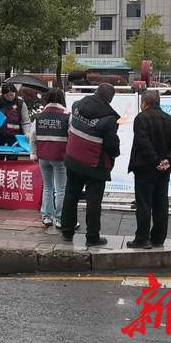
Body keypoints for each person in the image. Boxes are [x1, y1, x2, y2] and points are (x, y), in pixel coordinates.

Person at [62, 83, 121, 247]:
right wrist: (116, 154)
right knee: (93, 201)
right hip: (95, 165)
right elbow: (112, 145)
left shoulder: (77, 106)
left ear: (96, 92)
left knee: (70, 196)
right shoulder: (109, 120)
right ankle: (92, 236)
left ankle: (67, 232)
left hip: (73, 159)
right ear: (110, 99)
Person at [127, 90, 171, 249]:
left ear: (144, 104)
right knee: (161, 204)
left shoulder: (141, 118)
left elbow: (143, 143)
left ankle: (142, 238)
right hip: (164, 169)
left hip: (145, 168)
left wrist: (155, 161)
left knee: (144, 204)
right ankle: (158, 238)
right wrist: (169, 160)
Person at [29, 87, 70, 228]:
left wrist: (34, 153)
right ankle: (60, 219)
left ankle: (47, 217)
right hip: (60, 157)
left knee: (47, 187)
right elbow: (71, 136)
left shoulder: (39, 116)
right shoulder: (67, 116)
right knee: (61, 189)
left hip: (43, 157)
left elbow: (32, 136)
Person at [0, 83, 30, 150]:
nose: (10, 97)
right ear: (3, 94)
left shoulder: (21, 103)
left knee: (13, 155)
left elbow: (26, 121)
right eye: (7, 96)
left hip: (15, 137)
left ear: (15, 93)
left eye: (12, 95)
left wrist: (27, 133)